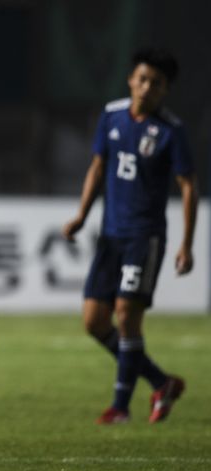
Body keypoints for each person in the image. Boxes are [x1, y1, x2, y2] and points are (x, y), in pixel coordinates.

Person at [62, 48, 198, 425]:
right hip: (111, 236)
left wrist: (187, 243)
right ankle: (161, 382)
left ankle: (120, 408)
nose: (147, 87)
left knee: (126, 315)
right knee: (93, 322)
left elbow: (188, 186)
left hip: (145, 237)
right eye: (142, 79)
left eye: (156, 83)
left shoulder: (171, 130)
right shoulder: (111, 115)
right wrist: (81, 215)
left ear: (165, 89)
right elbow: (97, 166)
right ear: (131, 79)